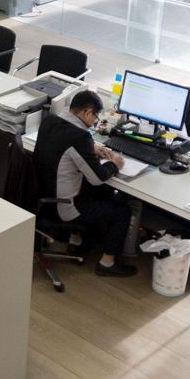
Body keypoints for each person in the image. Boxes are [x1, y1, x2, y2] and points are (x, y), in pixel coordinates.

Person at [34, 90, 137, 277]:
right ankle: (106, 264)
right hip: (63, 207)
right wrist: (116, 164)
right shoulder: (79, 137)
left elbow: (62, 147)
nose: (95, 122)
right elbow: (98, 177)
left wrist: (91, 147)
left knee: (94, 188)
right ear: (87, 112)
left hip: (41, 198)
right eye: (95, 118)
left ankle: (75, 242)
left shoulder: (50, 121)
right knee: (123, 211)